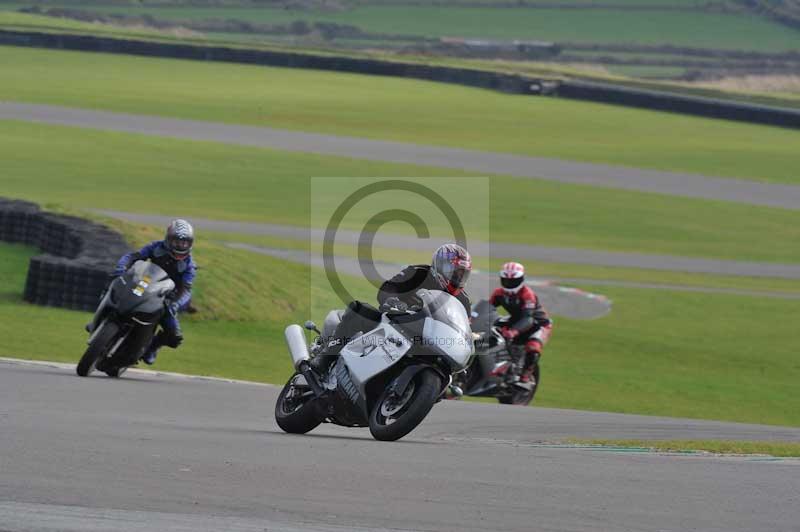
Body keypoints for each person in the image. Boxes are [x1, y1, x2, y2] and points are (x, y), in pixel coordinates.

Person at [310, 243, 472, 374]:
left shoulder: (463, 301)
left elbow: (463, 328)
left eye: (462, 275)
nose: (458, 278)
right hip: (394, 323)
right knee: (358, 309)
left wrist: (471, 339)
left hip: (426, 343)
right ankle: (326, 358)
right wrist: (393, 301)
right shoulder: (418, 273)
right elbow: (388, 289)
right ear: (441, 266)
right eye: (455, 273)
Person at [111, 219, 197, 365]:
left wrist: (175, 302)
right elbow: (132, 257)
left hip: (168, 295)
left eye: (184, 242)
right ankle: (103, 317)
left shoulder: (189, 265)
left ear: (190, 243)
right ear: (168, 238)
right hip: (146, 283)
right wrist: (121, 269)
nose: (181, 245)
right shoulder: (155, 247)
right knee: (117, 283)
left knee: (175, 336)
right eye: (177, 241)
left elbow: (186, 289)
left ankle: (152, 347)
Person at [489, 262, 552, 384]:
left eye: (513, 281)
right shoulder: (498, 293)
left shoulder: (527, 294)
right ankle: (500, 364)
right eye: (506, 280)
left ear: (521, 279)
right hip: (517, 319)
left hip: (538, 324)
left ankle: (527, 374)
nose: (509, 284)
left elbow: (528, 318)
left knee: (533, 348)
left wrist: (513, 332)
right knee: (494, 330)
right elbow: (487, 308)